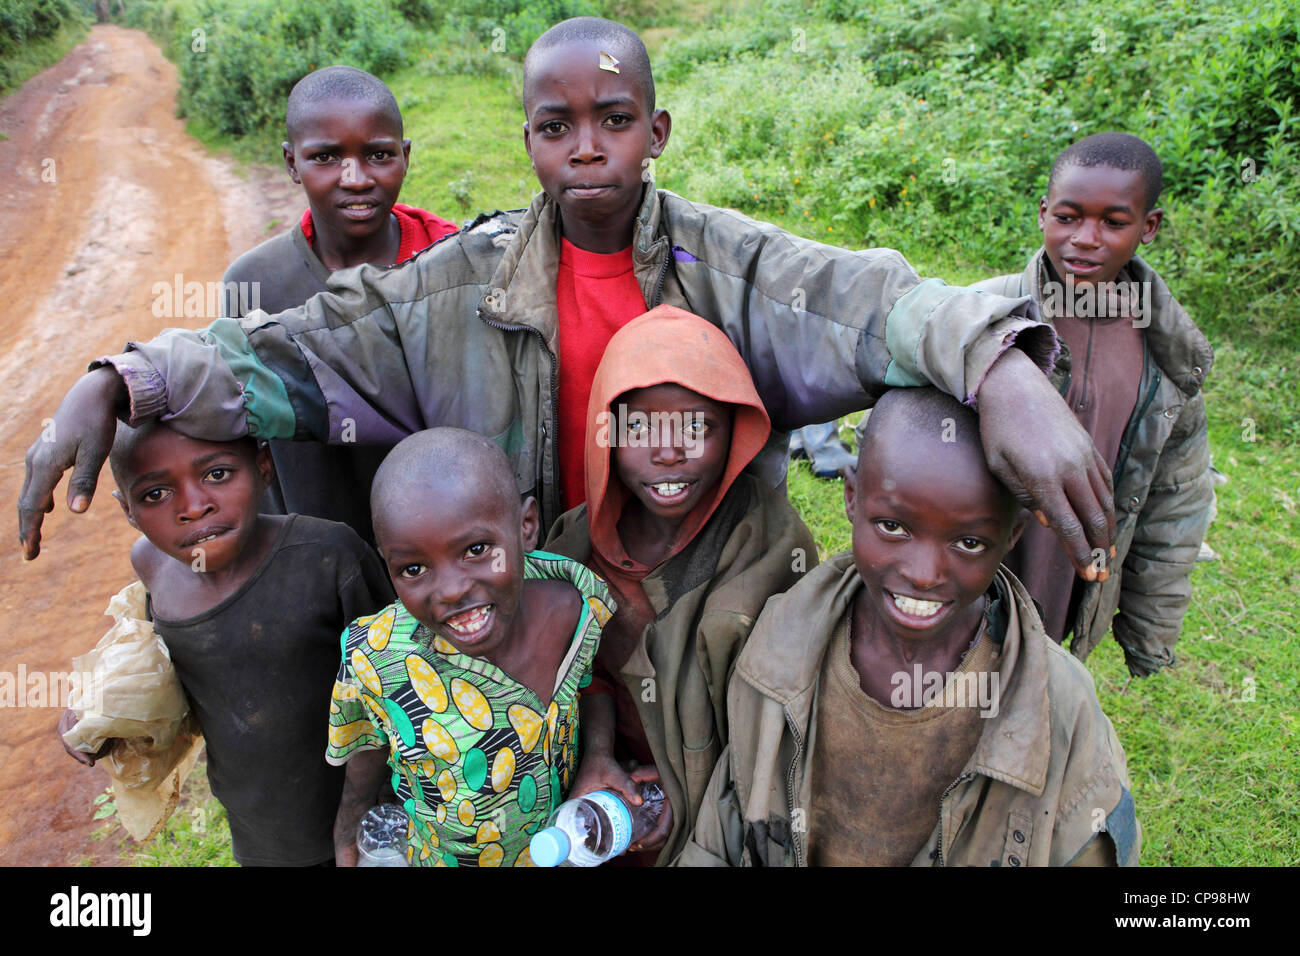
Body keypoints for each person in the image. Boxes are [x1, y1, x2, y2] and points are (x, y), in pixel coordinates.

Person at [20, 17, 1116, 591]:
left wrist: (1000, 368)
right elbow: (290, 350)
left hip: (701, 602)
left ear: (658, 129)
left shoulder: (728, 263)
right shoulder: (453, 285)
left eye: (615, 118)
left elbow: (875, 301)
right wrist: (124, 377)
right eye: (557, 125)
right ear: (528, 139)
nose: (587, 147)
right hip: (529, 612)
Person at [681, 388, 1140, 867]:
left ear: (1013, 535)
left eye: (967, 541)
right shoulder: (779, 645)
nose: (923, 573)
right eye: (893, 527)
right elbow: (726, 822)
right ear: (852, 496)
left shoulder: (1059, 706)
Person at [545, 305, 816, 864]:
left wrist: (686, 789)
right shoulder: (574, 541)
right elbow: (579, 672)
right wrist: (598, 758)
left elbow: (786, 724)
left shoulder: (771, 546)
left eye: (696, 427)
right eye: (639, 427)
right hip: (603, 797)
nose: (668, 452)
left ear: (735, 432)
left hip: (724, 805)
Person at [59, 421, 394, 865]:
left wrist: (356, 813)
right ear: (128, 511)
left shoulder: (329, 554)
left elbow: (396, 684)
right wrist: (103, 714)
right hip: (260, 827)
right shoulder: (151, 564)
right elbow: (166, 674)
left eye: (216, 474)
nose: (194, 507)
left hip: (367, 811)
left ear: (263, 466)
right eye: (155, 494)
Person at [973, 132, 1214, 677]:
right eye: (1068, 217)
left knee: (1034, 691)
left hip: (1069, 587)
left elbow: (1175, 502)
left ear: (1147, 227)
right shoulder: (982, 315)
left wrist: (1149, 631)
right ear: (1042, 214)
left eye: (1113, 222)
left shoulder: (1167, 357)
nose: (1085, 238)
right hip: (970, 569)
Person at [327, 428, 614, 867]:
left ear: (526, 527)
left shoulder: (580, 603)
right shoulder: (376, 657)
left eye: (476, 549)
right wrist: (349, 825)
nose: (451, 590)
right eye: (414, 568)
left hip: (563, 850)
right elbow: (365, 747)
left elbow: (593, 683)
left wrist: (598, 756)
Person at [222, 65, 458, 544]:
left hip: (445, 552)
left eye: (378, 155)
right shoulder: (253, 284)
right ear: (292, 163)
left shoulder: (451, 263)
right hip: (315, 552)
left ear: (406, 156)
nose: (355, 178)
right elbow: (245, 433)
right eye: (326, 157)